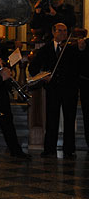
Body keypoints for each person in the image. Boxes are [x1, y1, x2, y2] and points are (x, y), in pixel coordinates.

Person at [28, 23, 81, 158]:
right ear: (53, 32)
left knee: (69, 119)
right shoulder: (45, 49)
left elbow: (78, 68)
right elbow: (33, 68)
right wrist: (44, 76)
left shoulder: (71, 48)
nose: (63, 33)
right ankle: (49, 149)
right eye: (60, 31)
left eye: (65, 31)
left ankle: (69, 150)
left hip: (70, 89)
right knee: (52, 119)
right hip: (53, 89)